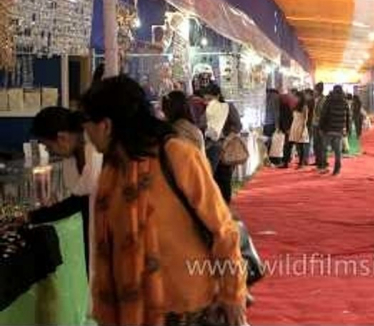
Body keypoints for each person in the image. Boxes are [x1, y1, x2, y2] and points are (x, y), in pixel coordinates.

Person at [79, 75, 247, 326]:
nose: (86, 133)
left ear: (105, 125)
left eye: (86, 124)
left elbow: (222, 230)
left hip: (189, 312)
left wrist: (233, 294)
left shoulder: (177, 156)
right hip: (132, 315)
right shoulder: (112, 173)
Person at [30, 106, 103, 277]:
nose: (50, 152)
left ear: (62, 138)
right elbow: (79, 199)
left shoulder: (96, 151)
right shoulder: (75, 157)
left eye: (48, 147)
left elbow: (79, 201)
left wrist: (34, 216)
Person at [203, 83, 243, 204]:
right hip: (210, 147)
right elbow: (202, 124)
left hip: (225, 147)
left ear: (218, 96)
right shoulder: (207, 108)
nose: (207, 101)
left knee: (224, 178)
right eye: (205, 99)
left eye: (210, 99)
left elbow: (238, 125)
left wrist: (226, 136)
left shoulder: (228, 107)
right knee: (212, 178)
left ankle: (225, 206)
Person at [318, 85, 351, 176]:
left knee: (324, 149)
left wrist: (321, 127)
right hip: (339, 130)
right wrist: (347, 129)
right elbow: (348, 117)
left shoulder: (328, 101)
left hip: (328, 130)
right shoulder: (345, 102)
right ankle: (337, 169)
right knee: (338, 151)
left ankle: (324, 167)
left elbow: (323, 115)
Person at [289, 91, 310, 169]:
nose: (295, 98)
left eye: (296, 97)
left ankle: (301, 163)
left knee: (301, 145)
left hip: (301, 126)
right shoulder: (295, 105)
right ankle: (300, 162)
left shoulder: (304, 106)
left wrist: (303, 128)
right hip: (295, 125)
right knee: (298, 145)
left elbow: (305, 119)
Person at [278, 90, 297, 168]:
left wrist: (286, 128)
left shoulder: (284, 106)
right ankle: (286, 160)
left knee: (287, 145)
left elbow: (285, 118)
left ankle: (285, 162)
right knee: (288, 145)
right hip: (290, 128)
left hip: (288, 128)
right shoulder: (289, 105)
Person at [311, 82, 328, 169]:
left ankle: (323, 163)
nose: (313, 92)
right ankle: (318, 161)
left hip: (321, 125)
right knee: (316, 144)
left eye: (315, 90)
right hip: (315, 124)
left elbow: (323, 114)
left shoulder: (323, 100)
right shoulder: (316, 99)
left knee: (322, 145)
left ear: (318, 90)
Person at [264, 88, 281, 165]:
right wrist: (277, 125)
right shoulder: (275, 97)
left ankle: (268, 158)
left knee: (268, 141)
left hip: (266, 123)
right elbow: (276, 112)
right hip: (272, 123)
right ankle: (274, 159)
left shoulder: (266, 97)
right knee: (274, 142)